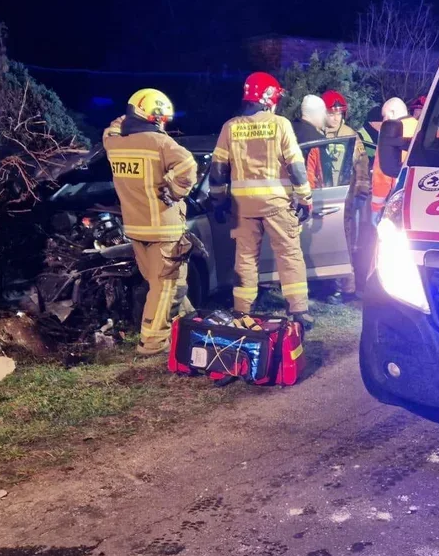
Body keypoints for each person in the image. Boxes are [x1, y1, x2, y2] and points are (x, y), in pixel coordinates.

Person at [208, 72, 315, 330]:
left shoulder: (230, 127)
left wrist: (219, 201)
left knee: (245, 258)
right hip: (277, 202)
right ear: (269, 98)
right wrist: (305, 198)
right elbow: (296, 166)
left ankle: (241, 310)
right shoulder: (280, 124)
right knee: (289, 255)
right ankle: (298, 311)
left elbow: (218, 169)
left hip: (243, 206)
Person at [103, 88, 199, 355]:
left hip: (136, 229)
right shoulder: (161, 144)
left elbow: (112, 128)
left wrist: (127, 118)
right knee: (165, 286)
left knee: (167, 285)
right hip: (164, 229)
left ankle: (187, 326)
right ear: (155, 116)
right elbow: (188, 168)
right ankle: (153, 342)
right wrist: (174, 192)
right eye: (162, 119)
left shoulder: (114, 143)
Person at [321, 91, 372, 299]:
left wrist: (361, 191)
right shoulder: (317, 134)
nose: (335, 118)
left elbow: (361, 165)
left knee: (345, 244)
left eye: (339, 114)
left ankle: (346, 288)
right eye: (331, 114)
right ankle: (324, 285)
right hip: (320, 197)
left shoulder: (351, 136)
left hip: (344, 199)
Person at [370, 97, 418, 214]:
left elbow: (382, 174)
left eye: (385, 116)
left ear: (392, 113)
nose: (384, 120)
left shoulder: (388, 132)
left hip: (398, 197)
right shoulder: (421, 128)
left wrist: (377, 205)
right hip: (419, 195)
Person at [295, 94, 328, 189]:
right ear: (317, 113)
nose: (325, 116)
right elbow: (322, 173)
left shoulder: (288, 129)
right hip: (307, 189)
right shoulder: (318, 140)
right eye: (323, 112)